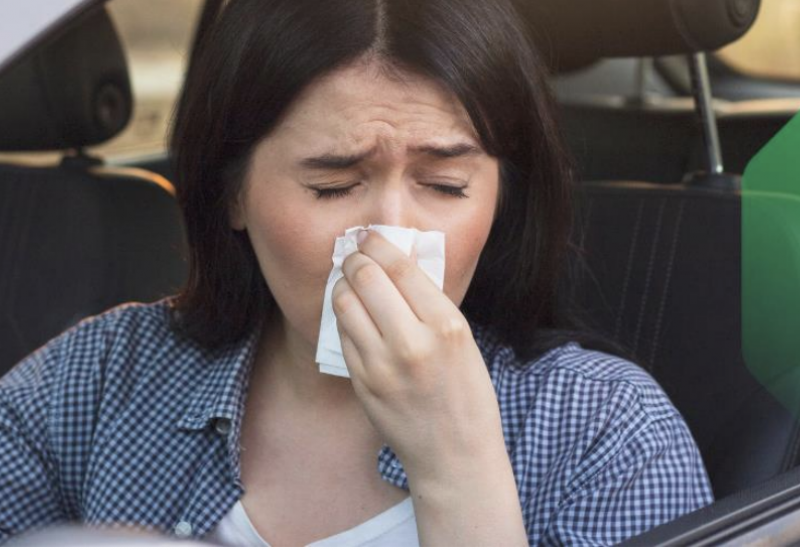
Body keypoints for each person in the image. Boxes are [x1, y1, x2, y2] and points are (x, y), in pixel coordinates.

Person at [0, 0, 713, 546]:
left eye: (445, 184)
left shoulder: (607, 435)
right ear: (233, 193)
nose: (392, 242)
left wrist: (457, 466)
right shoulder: (94, 382)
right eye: (333, 187)